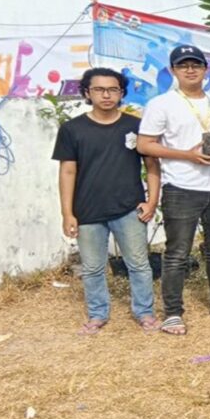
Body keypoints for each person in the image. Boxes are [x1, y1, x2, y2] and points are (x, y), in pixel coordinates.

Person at [137, 44, 210, 335]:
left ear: (205, 69)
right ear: (173, 71)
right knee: (177, 252)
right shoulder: (161, 104)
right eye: (183, 65)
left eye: (196, 65)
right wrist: (188, 155)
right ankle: (173, 312)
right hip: (182, 186)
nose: (190, 70)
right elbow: (145, 145)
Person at [53, 68, 161, 335]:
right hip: (88, 211)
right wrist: (67, 213)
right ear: (87, 93)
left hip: (129, 208)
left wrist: (152, 201)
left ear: (122, 93)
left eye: (113, 89)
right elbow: (67, 171)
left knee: (138, 264)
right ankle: (97, 314)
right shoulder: (72, 129)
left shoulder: (135, 126)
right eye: (99, 89)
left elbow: (152, 165)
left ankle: (145, 312)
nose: (106, 95)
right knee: (92, 268)